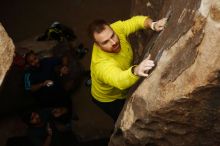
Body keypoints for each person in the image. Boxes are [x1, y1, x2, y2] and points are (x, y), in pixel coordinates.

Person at [88, 16, 167, 122]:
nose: (113, 42)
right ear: (97, 46)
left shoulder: (116, 29)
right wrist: (136, 70)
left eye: (113, 35)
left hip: (123, 83)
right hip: (109, 99)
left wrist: (153, 24)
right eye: (105, 42)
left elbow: (135, 21)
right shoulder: (101, 65)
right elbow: (119, 80)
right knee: (122, 120)